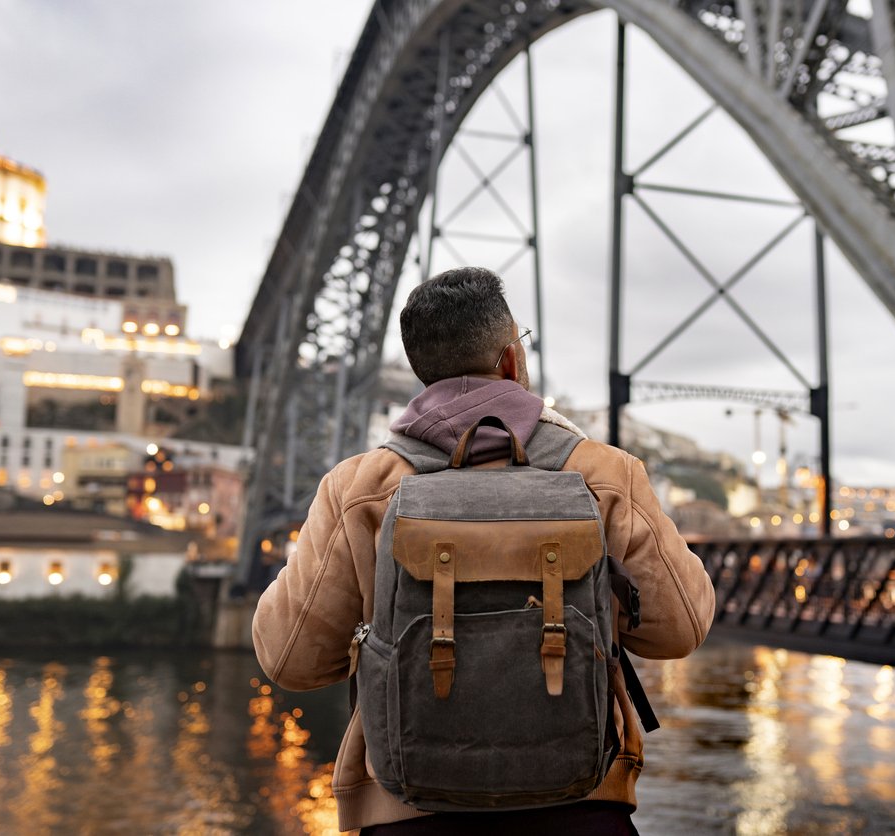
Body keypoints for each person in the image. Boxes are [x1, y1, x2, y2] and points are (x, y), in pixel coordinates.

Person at [252, 266, 715, 835]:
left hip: (407, 814)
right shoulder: (604, 473)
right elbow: (679, 629)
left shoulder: (358, 487)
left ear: (423, 374)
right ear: (511, 362)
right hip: (583, 808)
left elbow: (290, 660)